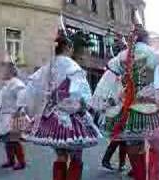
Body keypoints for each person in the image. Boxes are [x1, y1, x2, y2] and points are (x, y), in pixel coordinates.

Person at [97, 24, 159, 180]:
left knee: (134, 149)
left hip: (129, 109)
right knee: (156, 148)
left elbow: (108, 82)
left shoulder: (123, 56)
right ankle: (154, 177)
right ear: (147, 38)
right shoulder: (155, 55)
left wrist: (109, 102)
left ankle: (140, 176)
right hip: (153, 108)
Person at [25, 29, 102, 180]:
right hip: (73, 119)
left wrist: (34, 111)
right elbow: (80, 93)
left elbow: (32, 90)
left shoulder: (47, 67)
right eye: (72, 48)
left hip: (52, 118)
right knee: (76, 158)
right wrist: (84, 106)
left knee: (60, 157)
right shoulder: (72, 66)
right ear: (68, 47)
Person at [0, 61, 27, 170]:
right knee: (7, 140)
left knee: (14, 140)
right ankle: (11, 160)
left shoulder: (17, 84)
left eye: (4, 70)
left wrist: (17, 113)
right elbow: (1, 100)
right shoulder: (7, 84)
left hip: (14, 115)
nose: (2, 72)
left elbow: (22, 99)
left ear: (10, 71)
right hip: (5, 115)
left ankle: (22, 162)